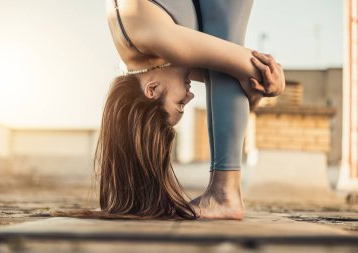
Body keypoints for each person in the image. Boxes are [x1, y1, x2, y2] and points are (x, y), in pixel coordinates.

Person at [71, 0, 285, 220]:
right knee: (223, 69)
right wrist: (259, 88)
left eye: (179, 104)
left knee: (225, 56)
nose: (190, 96)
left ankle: (225, 194)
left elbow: (256, 70)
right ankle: (224, 194)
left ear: (152, 89)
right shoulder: (144, 53)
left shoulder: (159, 39)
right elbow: (240, 84)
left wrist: (276, 84)